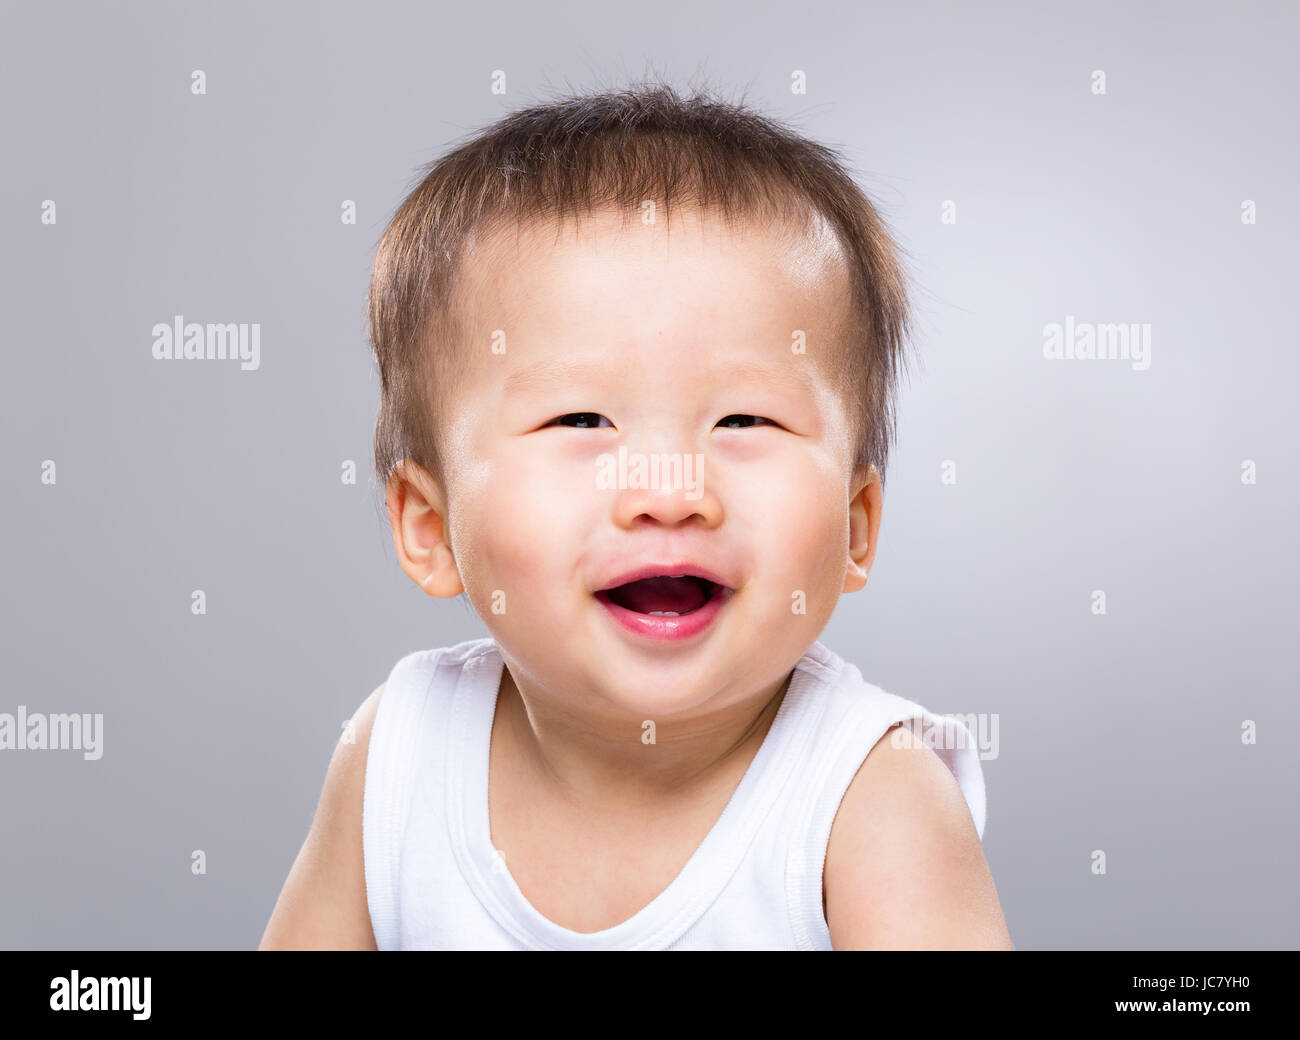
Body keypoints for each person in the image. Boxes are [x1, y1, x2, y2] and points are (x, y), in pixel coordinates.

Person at [260, 81, 1013, 950]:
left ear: (855, 525)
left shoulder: (870, 796)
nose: (668, 489)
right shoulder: (395, 755)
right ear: (430, 528)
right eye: (581, 421)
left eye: (745, 421)